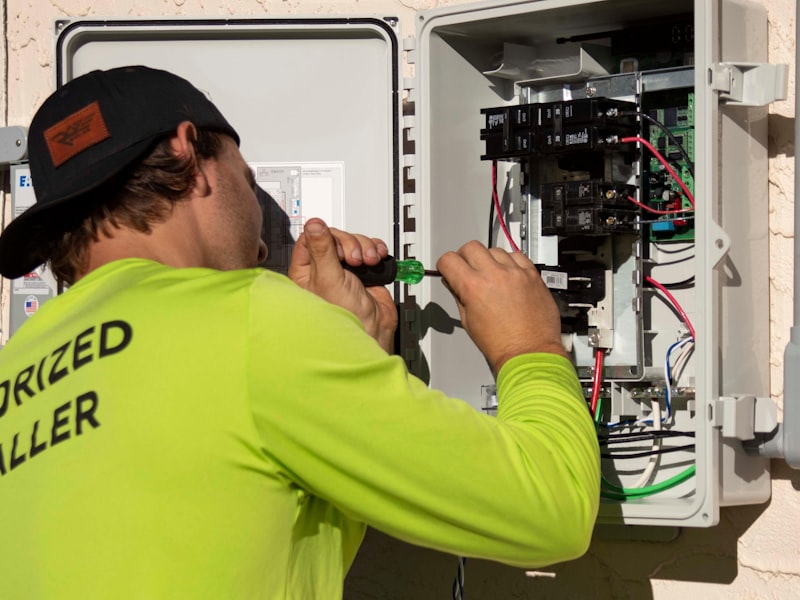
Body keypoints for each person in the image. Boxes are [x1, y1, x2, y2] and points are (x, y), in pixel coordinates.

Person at [0, 66, 599, 599]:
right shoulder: (252, 322)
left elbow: (267, 541)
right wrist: (529, 344)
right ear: (187, 152)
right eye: (246, 177)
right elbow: (553, 511)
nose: (264, 242)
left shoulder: (15, 365)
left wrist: (346, 346)